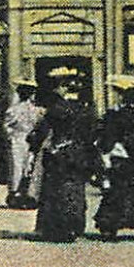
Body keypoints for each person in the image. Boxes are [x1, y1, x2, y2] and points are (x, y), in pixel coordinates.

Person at [28, 71, 97, 243]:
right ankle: (76, 225)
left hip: (58, 153)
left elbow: (42, 132)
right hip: (79, 153)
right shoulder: (87, 111)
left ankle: (55, 227)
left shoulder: (56, 109)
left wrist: (34, 145)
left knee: (55, 190)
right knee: (76, 189)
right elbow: (93, 134)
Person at [95, 76, 134, 242]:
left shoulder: (113, 116)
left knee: (117, 193)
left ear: (121, 96)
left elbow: (105, 139)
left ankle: (111, 227)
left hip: (120, 160)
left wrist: (104, 152)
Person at [4, 81, 44, 209]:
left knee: (21, 167)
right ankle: (21, 193)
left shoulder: (17, 109)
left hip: (21, 139)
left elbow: (6, 126)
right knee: (25, 166)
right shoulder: (35, 110)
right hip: (22, 139)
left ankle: (19, 193)